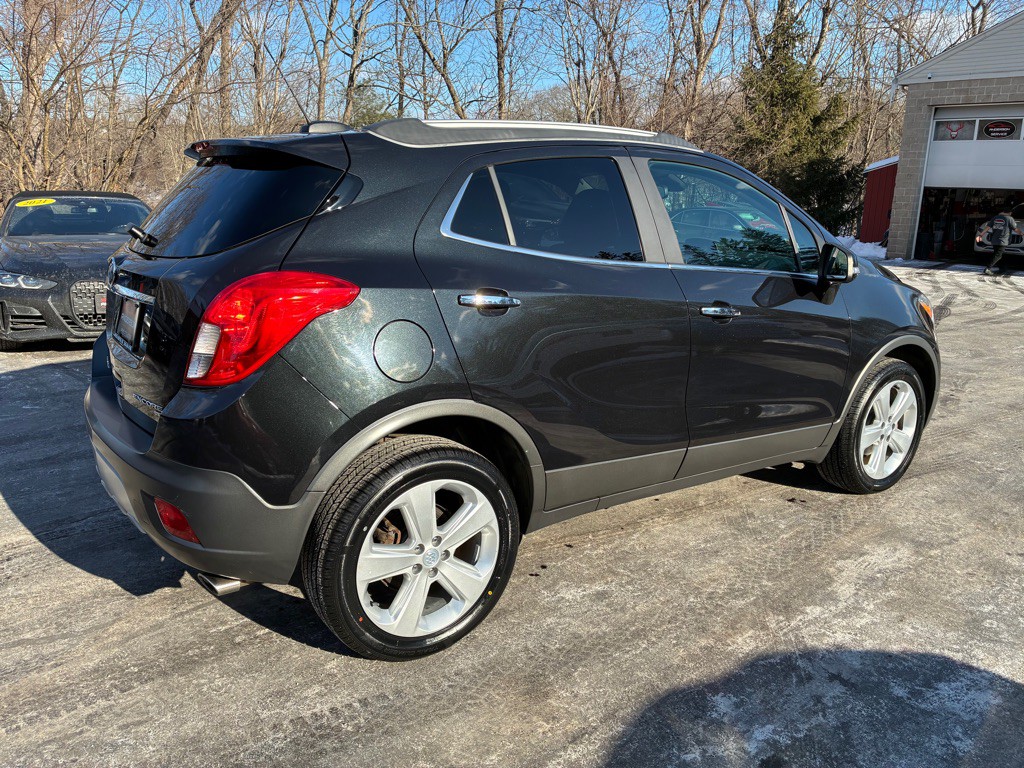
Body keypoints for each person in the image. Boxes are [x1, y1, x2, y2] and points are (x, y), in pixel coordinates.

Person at [984, 206, 1017, 275]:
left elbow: (988, 226)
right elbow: (1014, 227)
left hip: (994, 239)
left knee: (998, 253)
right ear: (1010, 213)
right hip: (1003, 240)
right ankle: (988, 268)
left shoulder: (995, 217)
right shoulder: (1010, 219)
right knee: (998, 255)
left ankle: (1002, 267)